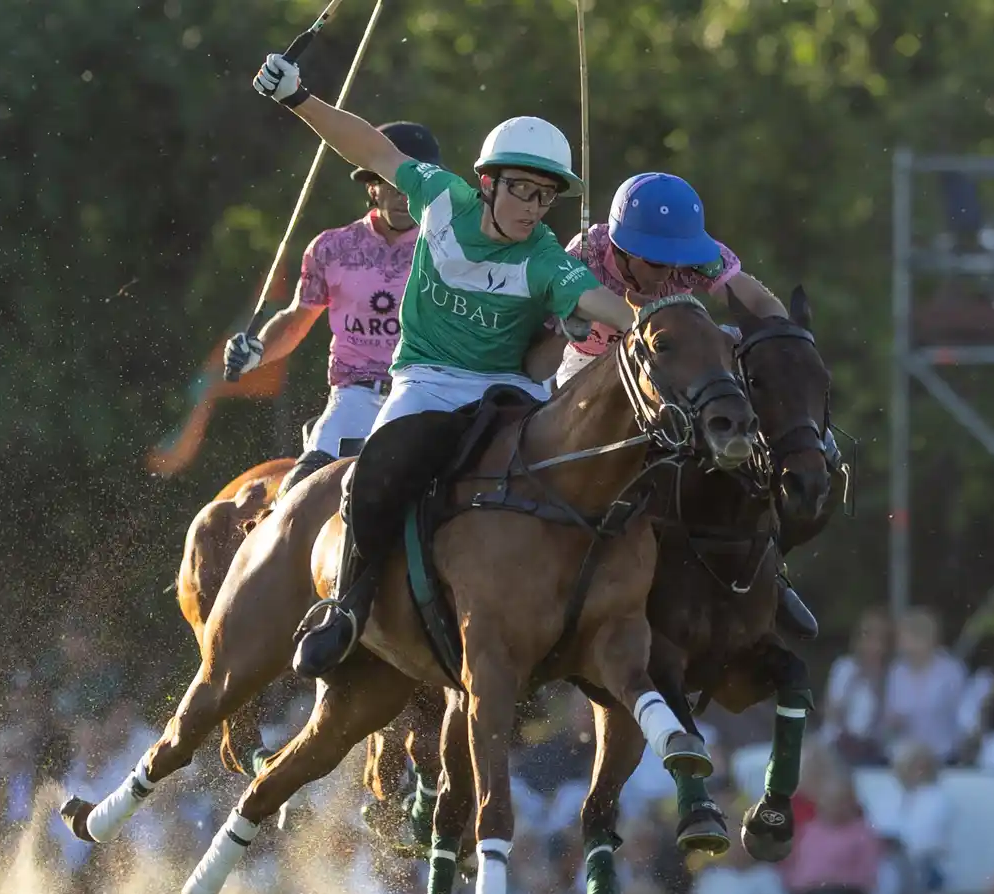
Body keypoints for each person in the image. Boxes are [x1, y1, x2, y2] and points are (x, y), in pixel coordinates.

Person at [252, 52, 641, 677]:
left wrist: (652, 329)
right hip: (426, 383)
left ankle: (564, 618)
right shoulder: (439, 196)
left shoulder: (545, 257)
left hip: (508, 390)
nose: (532, 207)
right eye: (520, 189)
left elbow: (602, 302)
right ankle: (348, 608)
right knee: (372, 471)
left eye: (544, 196)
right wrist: (300, 98)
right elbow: (369, 149)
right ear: (487, 182)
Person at [553, 172, 821, 637]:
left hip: (677, 374)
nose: (671, 272)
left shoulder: (695, 254)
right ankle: (565, 573)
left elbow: (757, 300)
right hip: (595, 372)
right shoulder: (584, 255)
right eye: (658, 264)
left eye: (680, 260)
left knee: (740, 436)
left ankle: (767, 571)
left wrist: (784, 345)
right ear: (622, 249)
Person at [224, 122, 444, 497]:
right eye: (392, 181)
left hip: (426, 394)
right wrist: (258, 351)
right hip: (355, 398)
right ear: (371, 185)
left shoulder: (450, 248)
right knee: (299, 494)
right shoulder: (332, 248)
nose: (403, 195)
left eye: (413, 183)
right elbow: (296, 320)